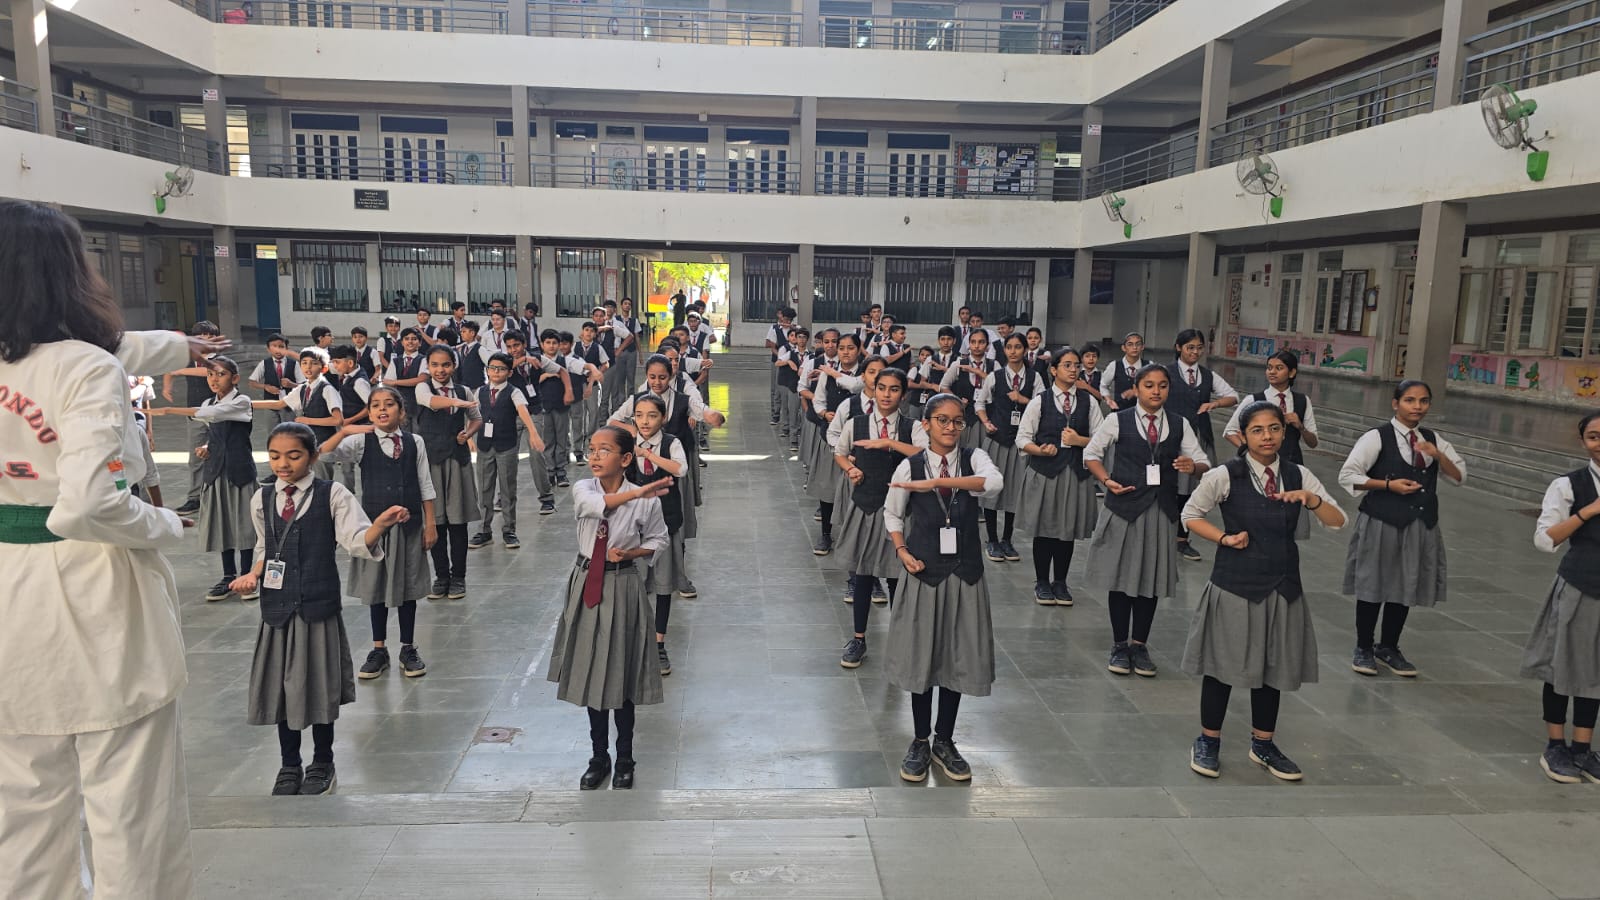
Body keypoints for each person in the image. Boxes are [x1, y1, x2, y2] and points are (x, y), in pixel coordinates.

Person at [0, 200, 220, 899]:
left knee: (23, 813)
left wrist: (180, 348)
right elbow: (91, 504)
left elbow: (112, 349)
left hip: (8, 592)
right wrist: (164, 526)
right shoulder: (83, 367)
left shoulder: (66, 359)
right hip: (91, 590)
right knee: (132, 808)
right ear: (66, 272)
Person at [230, 423, 410, 796]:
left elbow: (355, 541)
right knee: (281, 689)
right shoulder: (262, 498)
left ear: (313, 456)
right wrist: (252, 574)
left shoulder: (333, 494)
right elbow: (265, 547)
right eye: (275, 456)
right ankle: (289, 764)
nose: (283, 464)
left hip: (317, 608)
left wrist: (379, 525)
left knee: (318, 686)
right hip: (277, 613)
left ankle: (323, 762)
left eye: (294, 456)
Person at [1179, 401, 1345, 781]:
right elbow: (1190, 514)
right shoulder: (1225, 474)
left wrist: (1313, 501)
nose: (1266, 436)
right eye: (1257, 430)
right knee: (1222, 666)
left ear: (1283, 433)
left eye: (1274, 428)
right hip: (1235, 586)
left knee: (1273, 668)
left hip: (1283, 587)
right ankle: (1208, 740)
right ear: (1244, 436)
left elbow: (1338, 521)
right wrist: (1223, 538)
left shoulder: (1298, 474)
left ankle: (1263, 744)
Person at [885, 393, 1002, 782]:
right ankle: (920, 739)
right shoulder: (910, 465)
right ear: (927, 424)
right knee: (923, 657)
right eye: (942, 420)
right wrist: (902, 551)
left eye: (957, 421)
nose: (951, 427)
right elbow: (893, 513)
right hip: (925, 574)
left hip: (965, 574)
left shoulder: (974, 458)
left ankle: (945, 740)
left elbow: (994, 483)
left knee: (958, 657)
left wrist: (939, 481)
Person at [547, 425, 671, 790]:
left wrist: (632, 553)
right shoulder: (584, 488)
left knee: (621, 673)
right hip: (587, 582)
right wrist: (639, 492)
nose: (595, 456)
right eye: (592, 449)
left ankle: (625, 757)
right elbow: (596, 507)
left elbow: (659, 539)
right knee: (592, 672)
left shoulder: (646, 500)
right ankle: (598, 756)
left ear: (626, 458)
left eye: (605, 450)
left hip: (623, 584)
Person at [1084, 363, 1211, 678]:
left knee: (1150, 579)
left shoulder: (1179, 424)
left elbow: (1203, 461)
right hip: (1123, 508)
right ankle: (1119, 644)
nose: (1156, 391)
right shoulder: (1117, 420)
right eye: (1149, 385)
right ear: (1137, 389)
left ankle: (1139, 645)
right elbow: (1091, 454)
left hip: (1160, 510)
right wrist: (1106, 480)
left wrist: (1192, 467)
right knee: (1121, 577)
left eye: (1163, 385)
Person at [1338, 380, 1465, 678]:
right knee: (1372, 583)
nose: (1417, 406)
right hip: (1381, 521)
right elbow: (1348, 475)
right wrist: (1387, 485)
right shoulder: (1377, 437)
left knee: (1405, 583)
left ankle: (1389, 646)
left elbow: (1459, 477)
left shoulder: (1433, 440)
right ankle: (1364, 647)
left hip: (1419, 523)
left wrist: (1439, 455)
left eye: (1423, 401)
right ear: (1396, 403)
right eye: (1410, 400)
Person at [319, 387, 438, 681]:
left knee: (408, 586)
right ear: (370, 413)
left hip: (409, 527)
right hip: (375, 528)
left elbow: (425, 484)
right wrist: (344, 431)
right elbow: (323, 454)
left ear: (401, 411)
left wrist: (430, 523)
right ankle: (378, 649)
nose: (382, 410)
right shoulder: (362, 441)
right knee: (376, 587)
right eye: (375, 406)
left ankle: (408, 647)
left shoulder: (415, 442)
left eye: (388, 405)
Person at [1524, 411, 1600, 783]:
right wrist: (1588, 512)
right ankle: (1556, 744)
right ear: (1583, 441)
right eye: (1594, 436)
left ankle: (1583, 748)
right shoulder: (1568, 485)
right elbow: (1544, 539)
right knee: (1562, 665)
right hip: (1581, 586)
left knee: (1596, 669)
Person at [835, 366, 928, 668]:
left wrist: (889, 443)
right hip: (866, 508)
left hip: (902, 511)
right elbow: (840, 452)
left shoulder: (912, 426)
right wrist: (851, 468)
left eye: (894, 389)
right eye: (882, 388)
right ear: (873, 390)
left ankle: (901, 639)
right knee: (863, 574)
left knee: (897, 576)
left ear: (904, 395)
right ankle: (858, 638)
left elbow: (925, 454)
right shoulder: (856, 423)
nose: (887, 394)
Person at [146, 357, 260, 602]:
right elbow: (215, 430)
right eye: (210, 375)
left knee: (244, 525)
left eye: (220, 374)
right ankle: (228, 576)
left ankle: (248, 575)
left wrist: (168, 410)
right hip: (216, 472)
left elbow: (214, 415)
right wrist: (208, 447)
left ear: (235, 378)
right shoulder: (209, 401)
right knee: (223, 524)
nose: (214, 380)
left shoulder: (241, 401)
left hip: (239, 472)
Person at [1016, 348, 1102, 606]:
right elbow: (1022, 438)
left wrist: (1080, 441)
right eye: (1067, 365)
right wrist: (1039, 450)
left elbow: (1102, 439)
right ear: (1053, 370)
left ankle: (1061, 581)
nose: (1074, 370)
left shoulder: (1089, 402)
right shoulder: (1039, 401)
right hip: (1046, 474)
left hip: (1075, 474)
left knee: (1067, 530)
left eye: (1077, 365)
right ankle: (1042, 581)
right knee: (1044, 530)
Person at [1225, 349, 1318, 540]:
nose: (1272, 372)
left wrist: (1300, 426)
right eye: (1269, 368)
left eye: (1279, 368)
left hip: (1290, 467)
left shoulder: (1302, 401)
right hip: (1259, 470)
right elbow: (1230, 431)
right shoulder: (1254, 400)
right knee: (1259, 519)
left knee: (1288, 522)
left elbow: (1313, 442)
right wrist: (1251, 450)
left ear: (1292, 372)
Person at [626, 395, 688, 676]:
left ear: (663, 418)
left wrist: (648, 454)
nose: (645, 421)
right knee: (634, 585)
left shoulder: (670, 443)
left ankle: (659, 642)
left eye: (652, 416)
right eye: (639, 415)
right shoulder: (627, 444)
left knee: (663, 586)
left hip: (664, 524)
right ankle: (634, 641)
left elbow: (680, 469)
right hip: (634, 528)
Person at [415, 344, 482, 601]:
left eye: (445, 364)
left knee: (457, 521)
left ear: (453, 366)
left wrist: (468, 432)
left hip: (457, 461)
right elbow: (431, 402)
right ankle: (441, 576)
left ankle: (459, 577)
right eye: (435, 365)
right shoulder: (423, 388)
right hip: (431, 462)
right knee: (436, 521)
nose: (440, 370)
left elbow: (476, 418)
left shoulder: (464, 390)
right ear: (428, 367)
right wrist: (457, 402)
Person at [1166, 329, 1238, 564]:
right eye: (1190, 347)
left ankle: (1182, 538)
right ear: (1178, 348)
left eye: (1199, 348)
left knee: (1191, 489)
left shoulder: (1207, 376)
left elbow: (1233, 396)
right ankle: (1164, 533)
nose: (1195, 352)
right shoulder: (1166, 372)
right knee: (1168, 487)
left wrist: (1213, 404)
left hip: (1199, 436)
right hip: (1172, 438)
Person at [973, 332, 1040, 563]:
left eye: (1018, 347)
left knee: (1015, 491)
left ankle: (1007, 539)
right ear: (1004, 350)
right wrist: (986, 422)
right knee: (992, 490)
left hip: (1021, 443)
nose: (1013, 351)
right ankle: (992, 539)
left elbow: (1043, 405)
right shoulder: (995, 376)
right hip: (997, 440)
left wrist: (1023, 400)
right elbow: (980, 403)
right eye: (1009, 347)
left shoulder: (1035, 377)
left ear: (1025, 350)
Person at [469, 352, 545, 551]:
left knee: (507, 488)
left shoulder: (514, 392)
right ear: (487, 370)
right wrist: (468, 435)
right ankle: (484, 530)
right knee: (484, 488)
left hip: (507, 446)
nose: (496, 372)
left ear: (510, 373)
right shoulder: (480, 391)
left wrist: (533, 433)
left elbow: (523, 411)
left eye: (501, 369)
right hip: (485, 445)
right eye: (492, 368)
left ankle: (509, 530)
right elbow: (473, 414)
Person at [807, 333, 866, 556]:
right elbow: (818, 399)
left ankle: (855, 537)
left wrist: (834, 373)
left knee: (858, 490)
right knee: (828, 489)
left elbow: (857, 387)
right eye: (842, 348)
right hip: (831, 439)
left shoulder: (865, 373)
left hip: (859, 442)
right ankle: (825, 534)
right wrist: (824, 413)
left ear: (859, 350)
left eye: (850, 348)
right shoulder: (826, 375)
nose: (845, 352)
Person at [162, 319, 223, 516]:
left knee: (220, 454)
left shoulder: (221, 358)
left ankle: (219, 496)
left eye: (210, 336)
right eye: (201, 336)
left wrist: (179, 371)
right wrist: (166, 387)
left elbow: (210, 370)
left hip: (218, 414)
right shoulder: (188, 358)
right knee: (195, 458)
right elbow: (169, 368)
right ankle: (195, 498)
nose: (206, 340)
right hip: (194, 413)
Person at [247, 333, 301, 427]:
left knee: (290, 430)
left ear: (286, 348)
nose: (277, 350)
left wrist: (291, 384)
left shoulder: (294, 364)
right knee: (272, 430)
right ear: (268, 349)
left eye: (281, 347)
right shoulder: (264, 364)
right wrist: (265, 387)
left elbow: (303, 385)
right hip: (270, 404)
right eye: (274, 346)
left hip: (290, 404)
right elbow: (252, 382)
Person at [1098, 332, 1147, 411]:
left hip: (1143, 411)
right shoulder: (1114, 365)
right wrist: (1108, 400)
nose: (1134, 347)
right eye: (1130, 344)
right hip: (1119, 411)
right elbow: (1103, 385)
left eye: (1138, 344)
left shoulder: (1149, 366)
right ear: (1123, 348)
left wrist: (1136, 391)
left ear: (1142, 347)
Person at [766, 307, 794, 425]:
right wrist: (781, 357)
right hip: (778, 361)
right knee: (776, 388)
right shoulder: (775, 328)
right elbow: (771, 346)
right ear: (781, 317)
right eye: (786, 319)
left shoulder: (795, 329)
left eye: (790, 320)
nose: (787, 322)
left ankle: (790, 416)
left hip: (792, 362)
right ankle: (775, 414)